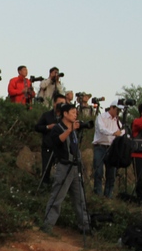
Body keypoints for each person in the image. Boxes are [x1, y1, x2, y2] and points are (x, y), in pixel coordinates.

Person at [42, 102, 91, 234]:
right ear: (65, 113)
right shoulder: (58, 128)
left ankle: (85, 226)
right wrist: (70, 130)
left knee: (80, 198)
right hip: (64, 166)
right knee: (57, 197)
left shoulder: (74, 130)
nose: (76, 115)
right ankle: (48, 225)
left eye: (76, 113)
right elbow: (57, 141)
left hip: (75, 167)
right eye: (73, 112)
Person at [92, 100, 125, 197]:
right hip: (100, 146)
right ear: (112, 108)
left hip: (111, 148)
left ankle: (108, 196)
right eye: (117, 110)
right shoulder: (101, 117)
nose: (118, 112)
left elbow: (122, 132)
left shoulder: (118, 121)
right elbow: (101, 129)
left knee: (111, 174)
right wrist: (113, 133)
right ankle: (98, 195)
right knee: (98, 172)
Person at [34, 93, 68, 186]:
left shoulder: (65, 117)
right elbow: (37, 127)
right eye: (59, 103)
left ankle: (58, 188)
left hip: (61, 148)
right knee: (46, 169)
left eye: (63, 103)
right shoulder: (47, 115)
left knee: (61, 171)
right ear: (54, 103)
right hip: (48, 146)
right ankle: (44, 188)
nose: (61, 106)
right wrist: (48, 127)